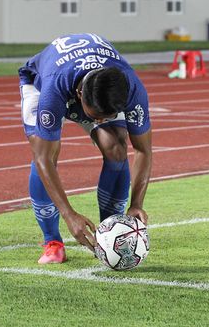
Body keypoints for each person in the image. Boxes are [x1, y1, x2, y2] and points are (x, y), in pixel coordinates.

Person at [18, 33, 152, 264]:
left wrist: (137, 203)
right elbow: (43, 160)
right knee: (46, 151)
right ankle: (53, 243)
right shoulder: (53, 90)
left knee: (117, 148)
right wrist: (69, 215)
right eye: (96, 116)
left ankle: (110, 234)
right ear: (80, 96)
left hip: (87, 83)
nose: (101, 122)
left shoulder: (132, 89)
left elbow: (143, 150)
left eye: (107, 116)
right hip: (42, 83)